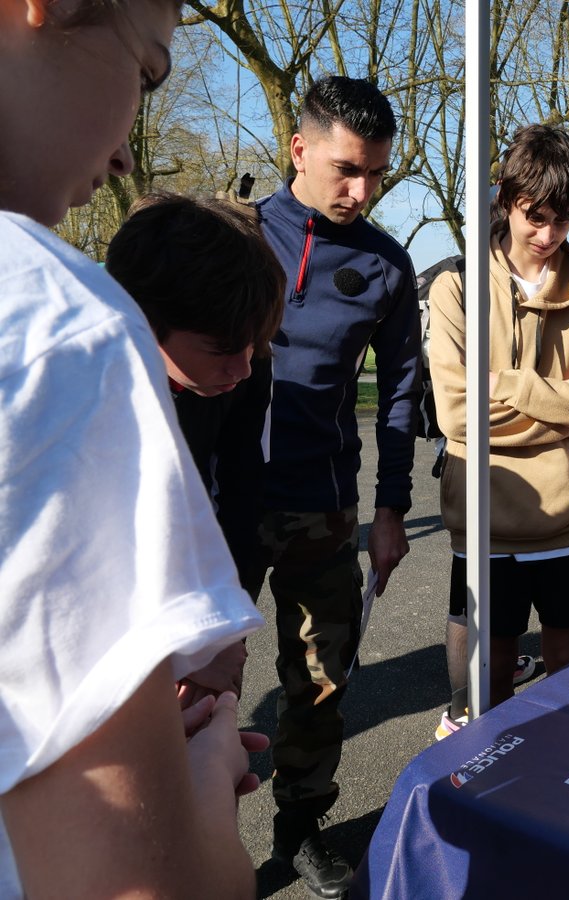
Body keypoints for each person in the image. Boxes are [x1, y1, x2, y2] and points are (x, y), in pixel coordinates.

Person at [0, 0, 268, 896]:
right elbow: (143, 883)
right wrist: (204, 777)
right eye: (147, 74)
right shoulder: (57, 332)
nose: (123, 150)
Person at [253, 75, 422, 896]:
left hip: (323, 505)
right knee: (188, 678)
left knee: (321, 678)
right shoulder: (237, 235)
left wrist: (391, 510)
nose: (361, 190)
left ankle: (300, 825)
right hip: (218, 500)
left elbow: (398, 397)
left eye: (377, 175)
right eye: (347, 169)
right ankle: (183, 833)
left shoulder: (389, 266)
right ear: (299, 148)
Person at [429, 124, 569, 735]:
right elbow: (457, 415)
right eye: (533, 216)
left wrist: (511, 386)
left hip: (567, 521)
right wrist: (565, 417)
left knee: (566, 669)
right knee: (487, 684)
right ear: (506, 200)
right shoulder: (455, 286)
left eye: (562, 220)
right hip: (483, 516)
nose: (546, 235)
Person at [106, 192, 286, 703]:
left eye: (254, 344)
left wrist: (219, 620)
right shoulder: (88, 384)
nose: (244, 367)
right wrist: (179, 648)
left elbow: (241, 485)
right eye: (225, 350)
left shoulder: (247, 361)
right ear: (143, 321)